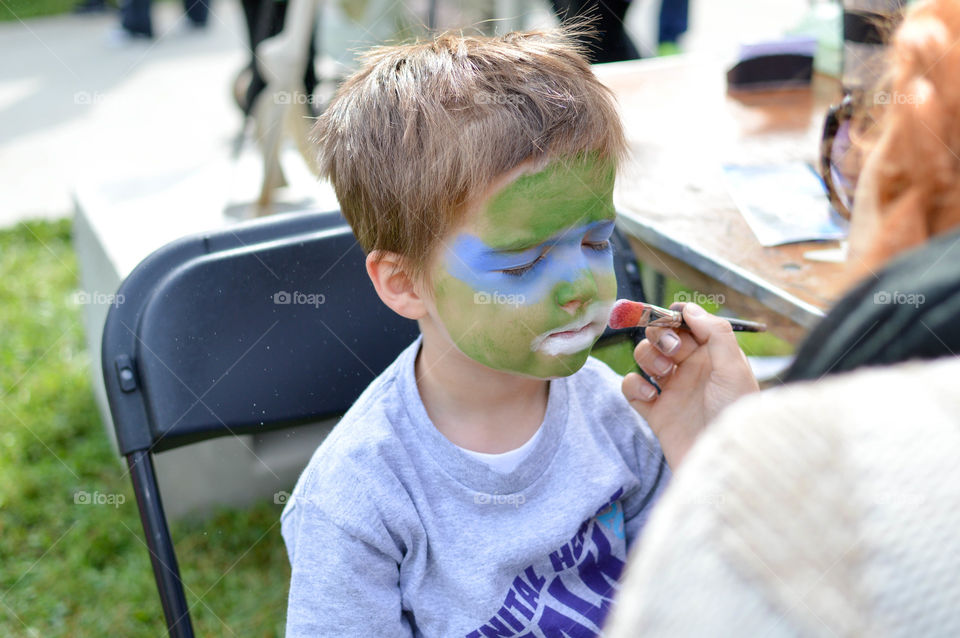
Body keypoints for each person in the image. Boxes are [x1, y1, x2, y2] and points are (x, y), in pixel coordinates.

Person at [279, 27, 722, 636]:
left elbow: (697, 600)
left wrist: (711, 444)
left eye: (595, 242)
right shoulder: (356, 500)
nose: (580, 288)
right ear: (405, 284)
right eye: (522, 262)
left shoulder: (620, 414)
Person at [605, 0, 960, 633]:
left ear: (910, 187)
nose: (845, 165)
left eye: (862, 130)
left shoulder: (805, 477)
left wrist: (753, 473)